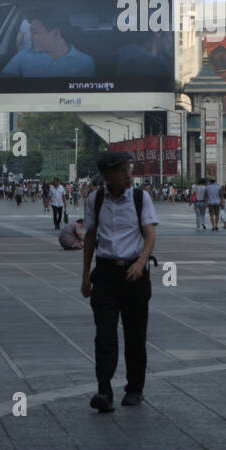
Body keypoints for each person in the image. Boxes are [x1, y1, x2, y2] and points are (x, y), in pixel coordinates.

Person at [82, 150, 159, 412]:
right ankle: (104, 391)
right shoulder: (96, 199)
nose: (129, 175)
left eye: (129, 169)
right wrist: (84, 276)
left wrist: (140, 262)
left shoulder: (140, 198)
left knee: (135, 334)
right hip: (105, 274)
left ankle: (134, 389)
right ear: (107, 176)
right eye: (123, 171)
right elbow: (90, 238)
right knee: (104, 334)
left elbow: (149, 235)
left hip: (134, 275)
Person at [0, 7, 96, 78]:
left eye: (35, 33)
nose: (30, 39)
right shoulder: (23, 56)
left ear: (55, 33)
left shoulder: (85, 63)